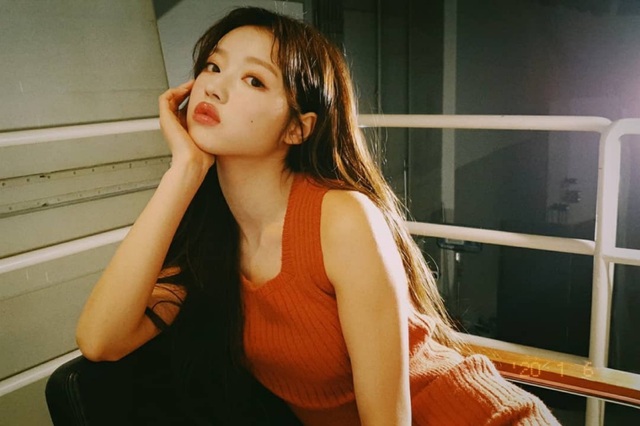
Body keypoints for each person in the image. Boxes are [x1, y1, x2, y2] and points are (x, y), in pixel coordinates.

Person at [76, 6, 559, 425]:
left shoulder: (342, 219)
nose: (215, 88)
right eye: (212, 66)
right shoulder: (211, 240)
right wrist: (184, 170)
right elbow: (100, 341)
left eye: (253, 80)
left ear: (297, 128)